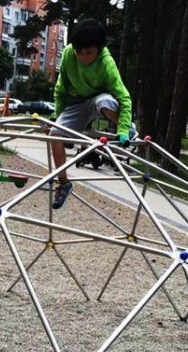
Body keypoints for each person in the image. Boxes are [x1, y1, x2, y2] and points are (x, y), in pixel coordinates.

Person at [49, 19, 132, 210]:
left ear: (99, 49)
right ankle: (63, 183)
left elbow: (124, 97)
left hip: (100, 100)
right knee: (55, 134)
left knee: (104, 102)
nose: (82, 57)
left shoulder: (106, 63)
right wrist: (58, 118)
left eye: (88, 53)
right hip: (77, 102)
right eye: (79, 52)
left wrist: (123, 128)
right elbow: (61, 89)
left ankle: (126, 128)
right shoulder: (69, 54)